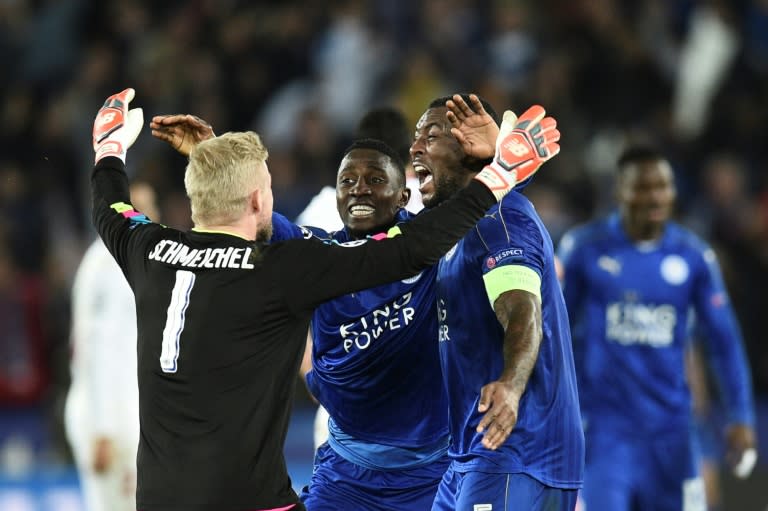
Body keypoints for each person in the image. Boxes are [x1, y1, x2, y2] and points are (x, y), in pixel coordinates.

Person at [90, 88, 555, 511]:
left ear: (403, 197)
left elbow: (110, 208)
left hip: (425, 471)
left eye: (376, 180)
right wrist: (502, 169)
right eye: (348, 181)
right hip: (315, 478)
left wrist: (109, 149)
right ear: (259, 200)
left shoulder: (148, 247)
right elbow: (414, 248)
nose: (359, 190)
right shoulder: (297, 261)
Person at [556, 145, 757, 511]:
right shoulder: (585, 249)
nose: (655, 196)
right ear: (620, 191)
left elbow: (723, 341)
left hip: (672, 432)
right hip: (604, 431)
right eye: (643, 187)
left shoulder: (693, 256)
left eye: (663, 186)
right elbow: (554, 333)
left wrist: (740, 416)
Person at [412, 94, 584, 510]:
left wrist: (510, 385)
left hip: (517, 447)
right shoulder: (455, 229)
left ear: (467, 150)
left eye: (432, 136)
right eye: (415, 138)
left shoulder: (500, 221)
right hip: (471, 451)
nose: (416, 148)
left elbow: (523, 310)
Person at [64, 181, 159, 511]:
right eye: (141, 208)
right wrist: (105, 430)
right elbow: (99, 351)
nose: (151, 217)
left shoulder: (115, 260)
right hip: (107, 418)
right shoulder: (111, 268)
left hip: (116, 412)